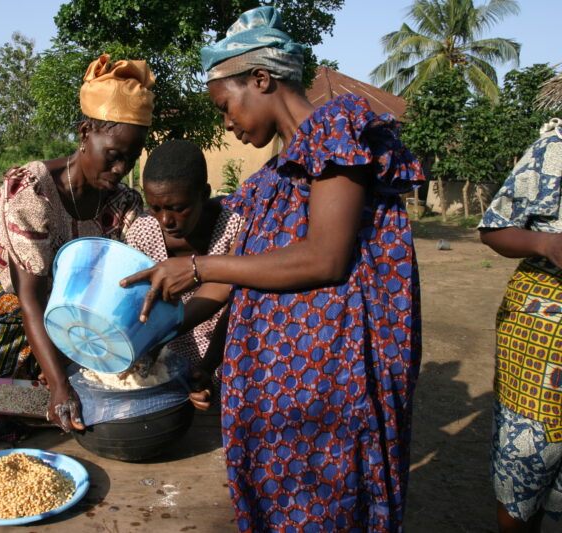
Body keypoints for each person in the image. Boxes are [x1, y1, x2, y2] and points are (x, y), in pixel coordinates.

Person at [121, 7, 424, 532]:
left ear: (261, 79)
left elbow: (325, 258)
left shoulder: (334, 130)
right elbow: (234, 278)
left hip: (333, 377)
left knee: (331, 501)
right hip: (286, 390)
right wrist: (151, 333)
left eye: (225, 106)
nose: (227, 123)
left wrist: (197, 265)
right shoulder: (271, 181)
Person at [0, 54, 155, 432]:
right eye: (113, 156)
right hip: (0, 302)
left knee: (35, 410)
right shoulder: (33, 191)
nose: (120, 170)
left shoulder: (122, 203)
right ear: (85, 133)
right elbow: (30, 297)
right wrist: (60, 381)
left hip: (59, 312)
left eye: (131, 159)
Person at [478, 117, 562, 533]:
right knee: (525, 468)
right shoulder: (554, 150)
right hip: (543, 339)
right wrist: (545, 242)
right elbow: (494, 228)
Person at [124, 139, 243, 391]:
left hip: (224, 354)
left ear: (204, 194)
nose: (166, 220)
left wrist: (208, 365)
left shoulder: (234, 228)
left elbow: (236, 305)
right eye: (155, 207)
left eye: (178, 208)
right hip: (162, 356)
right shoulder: (143, 233)